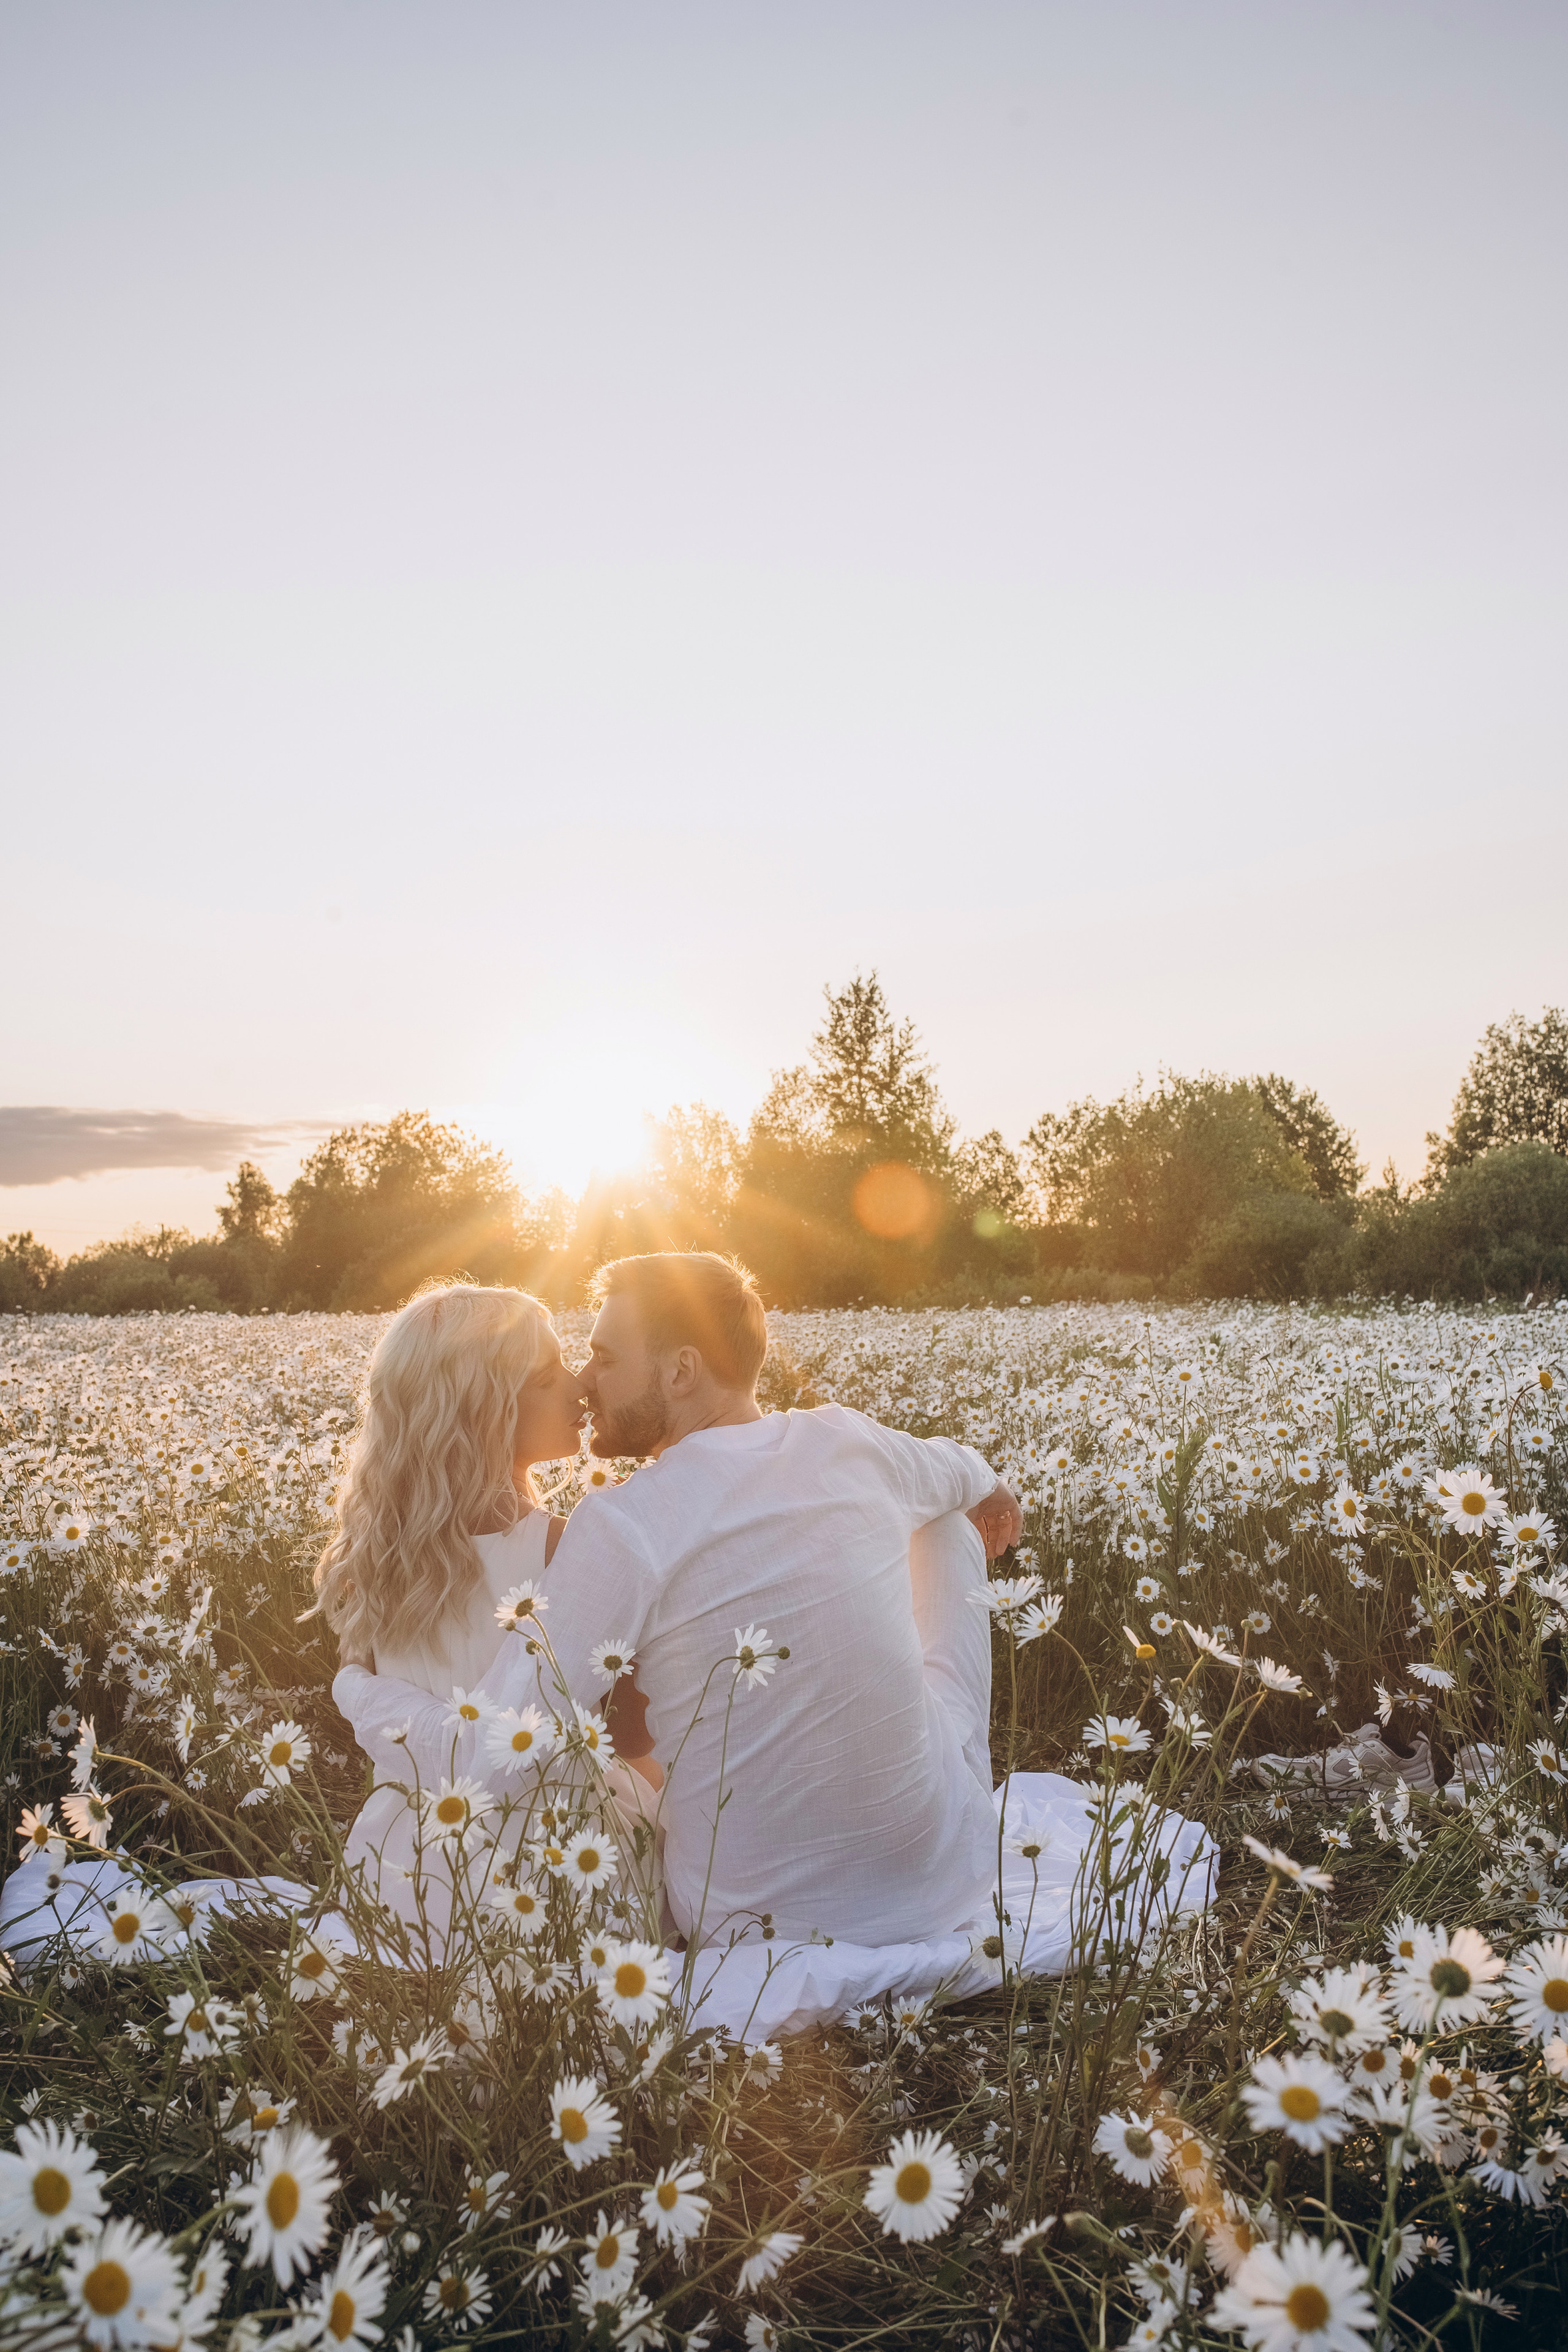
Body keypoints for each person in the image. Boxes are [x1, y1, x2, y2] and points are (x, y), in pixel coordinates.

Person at [331, 1254, 1021, 1950]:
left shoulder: (620, 1525)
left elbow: (505, 1747)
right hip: (944, 1883)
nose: (585, 1381)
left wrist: (361, 1694)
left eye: (602, 1357)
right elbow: (956, 1465)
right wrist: (991, 1487)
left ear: (681, 1372)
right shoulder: (849, 1439)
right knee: (948, 1520)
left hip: (744, 1920)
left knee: (943, 1503)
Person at [315, 1283, 662, 1943]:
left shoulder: (372, 1560)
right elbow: (633, 1739)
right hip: (555, 1872)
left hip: (409, 1870)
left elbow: (381, 1710)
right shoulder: (564, 1549)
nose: (577, 1387)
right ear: (482, 1411)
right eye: (544, 1377)